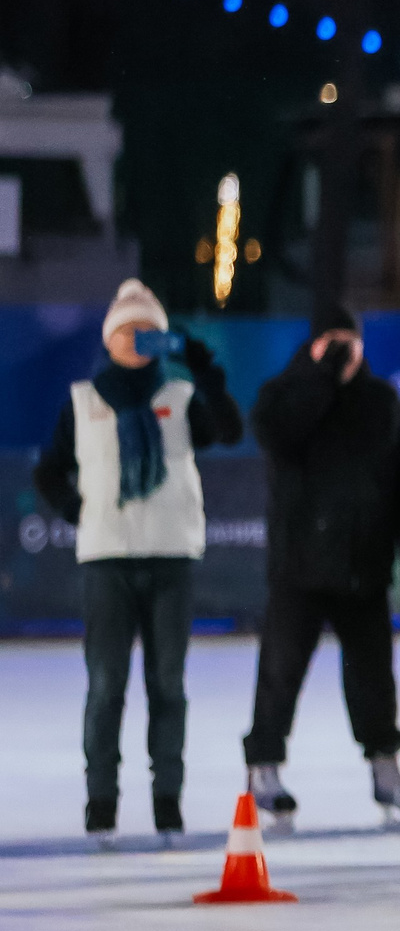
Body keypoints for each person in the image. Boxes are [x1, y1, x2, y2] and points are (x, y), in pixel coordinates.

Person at [33, 279, 242, 844]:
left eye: (149, 329)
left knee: (167, 685)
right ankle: (101, 802)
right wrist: (83, 511)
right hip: (108, 561)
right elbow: (47, 471)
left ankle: (167, 803)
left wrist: (207, 374)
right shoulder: (83, 401)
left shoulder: (179, 396)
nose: (138, 338)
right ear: (109, 336)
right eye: (128, 328)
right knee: (106, 686)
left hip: (172, 557)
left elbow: (229, 431)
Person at [242, 303, 400, 831]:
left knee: (373, 675)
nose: (345, 352)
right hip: (298, 568)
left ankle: (385, 767)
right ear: (313, 346)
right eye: (333, 342)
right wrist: (321, 377)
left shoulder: (380, 401)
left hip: (363, 567)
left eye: (352, 341)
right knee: (281, 671)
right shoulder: (284, 396)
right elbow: (277, 435)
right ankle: (265, 767)